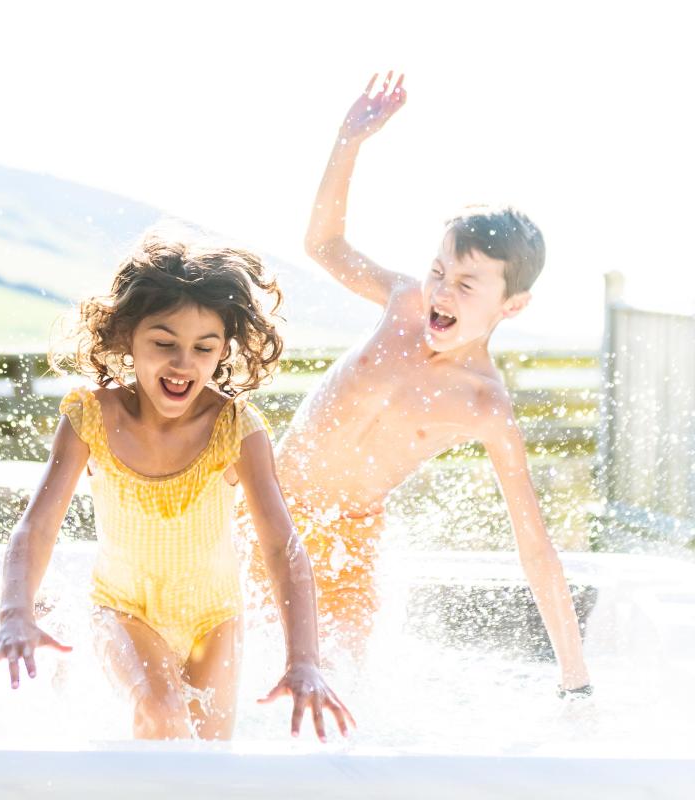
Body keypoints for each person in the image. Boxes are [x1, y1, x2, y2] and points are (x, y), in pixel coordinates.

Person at [264, 72, 592, 696]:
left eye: (466, 285)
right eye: (438, 270)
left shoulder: (485, 407)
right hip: (267, 499)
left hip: (347, 540)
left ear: (511, 306)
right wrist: (349, 141)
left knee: (337, 695)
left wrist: (576, 682)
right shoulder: (403, 303)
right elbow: (323, 243)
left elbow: (537, 548)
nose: (442, 292)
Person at [0, 233, 354, 741]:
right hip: (122, 609)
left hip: (215, 618)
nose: (182, 363)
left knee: (205, 761)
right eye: (164, 343)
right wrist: (16, 612)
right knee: (161, 712)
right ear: (126, 337)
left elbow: (282, 547)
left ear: (224, 350)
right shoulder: (90, 416)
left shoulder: (237, 428)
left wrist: (304, 661)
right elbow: (37, 527)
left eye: (204, 348)